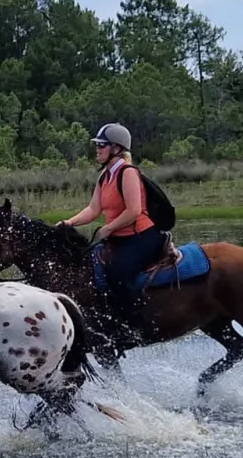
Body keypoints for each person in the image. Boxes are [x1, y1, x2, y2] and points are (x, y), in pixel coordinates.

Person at [57, 123, 164, 327]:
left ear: (116, 149)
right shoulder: (104, 176)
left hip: (142, 236)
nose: (97, 149)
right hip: (119, 238)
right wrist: (69, 222)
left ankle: (137, 322)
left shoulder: (128, 172)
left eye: (102, 145)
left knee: (118, 274)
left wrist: (109, 228)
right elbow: (93, 209)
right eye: (97, 145)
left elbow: (133, 211)